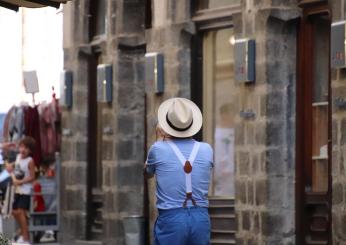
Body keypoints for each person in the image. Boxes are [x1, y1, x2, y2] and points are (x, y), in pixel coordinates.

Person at [146, 98, 213, 245]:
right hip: (200, 217)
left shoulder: (157, 149)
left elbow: (147, 173)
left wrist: (159, 139)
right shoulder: (207, 149)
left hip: (172, 218)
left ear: (166, 125)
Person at [11, 137, 36, 244]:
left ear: (30, 150)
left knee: (21, 211)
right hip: (16, 190)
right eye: (21, 147)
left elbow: (32, 177)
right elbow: (15, 170)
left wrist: (20, 182)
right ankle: (23, 233)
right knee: (14, 212)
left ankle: (26, 238)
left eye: (26, 148)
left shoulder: (30, 161)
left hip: (25, 190)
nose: (23, 150)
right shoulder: (17, 158)